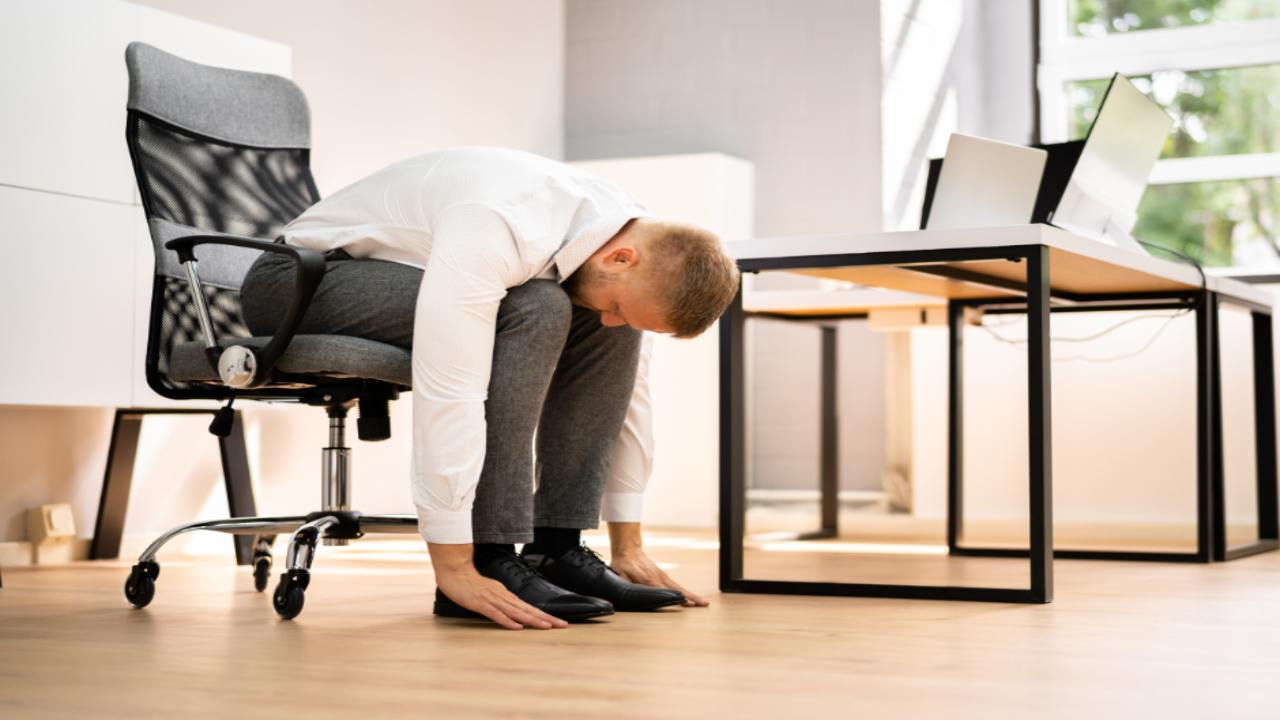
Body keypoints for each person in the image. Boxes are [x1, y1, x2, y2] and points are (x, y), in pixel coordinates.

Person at [240, 146, 740, 630]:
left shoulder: (624, 237)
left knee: (588, 320)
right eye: (618, 304)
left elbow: (632, 398)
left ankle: (557, 548)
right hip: (299, 283)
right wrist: (455, 567)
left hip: (394, 275)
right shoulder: (499, 223)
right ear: (622, 258)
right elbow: (450, 388)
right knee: (538, 306)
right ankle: (490, 553)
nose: (612, 319)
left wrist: (628, 544)